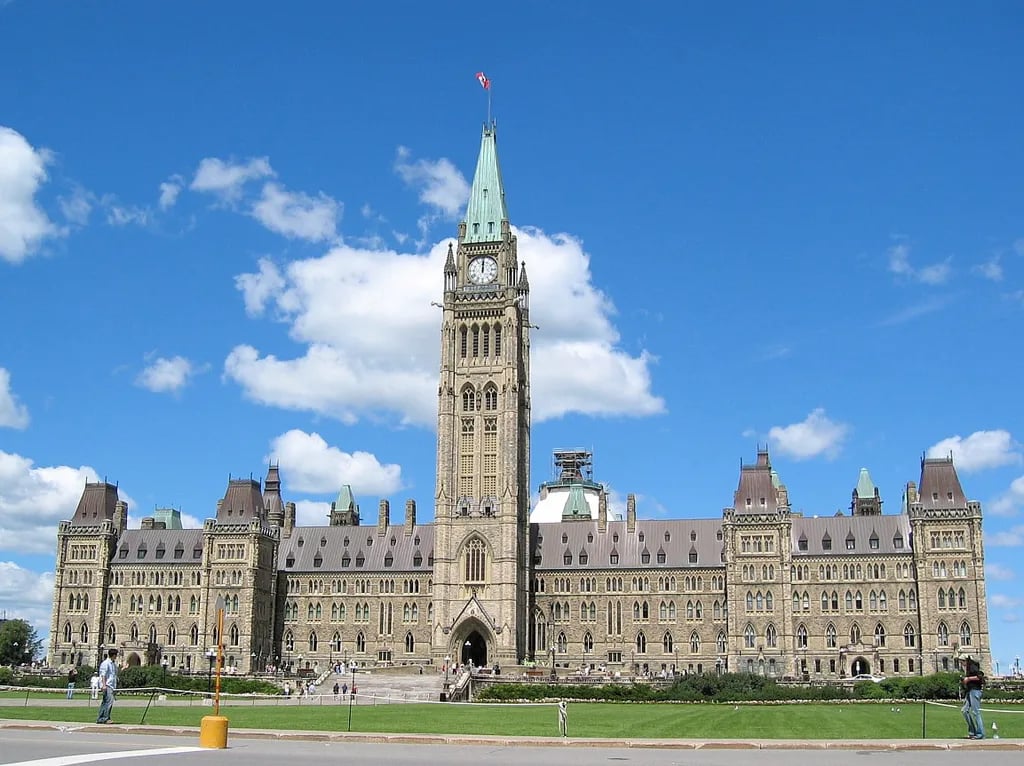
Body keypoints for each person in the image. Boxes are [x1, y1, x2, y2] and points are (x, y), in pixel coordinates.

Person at [959, 652, 985, 739]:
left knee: (976, 712)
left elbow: (980, 676)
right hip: (970, 691)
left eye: (962, 661)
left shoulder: (973, 666)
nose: (961, 663)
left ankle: (980, 733)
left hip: (975, 691)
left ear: (965, 661)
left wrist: (968, 678)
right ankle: (972, 732)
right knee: (964, 710)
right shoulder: (968, 668)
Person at [96, 648, 119, 724]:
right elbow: (103, 675)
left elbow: (113, 674)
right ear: (113, 655)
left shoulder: (113, 664)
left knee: (105, 702)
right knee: (109, 701)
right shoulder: (106, 663)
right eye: (116, 655)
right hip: (107, 685)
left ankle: (101, 718)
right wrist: (104, 685)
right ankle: (105, 718)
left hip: (111, 685)